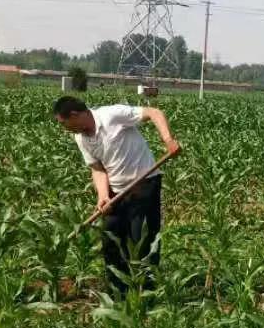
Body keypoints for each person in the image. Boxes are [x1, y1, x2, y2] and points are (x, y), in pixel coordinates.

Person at [52, 95, 179, 294]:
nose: (64, 128)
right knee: (110, 238)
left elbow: (154, 112)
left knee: (141, 239)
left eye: (64, 123)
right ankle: (117, 292)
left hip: (144, 184)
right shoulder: (81, 139)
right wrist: (103, 196)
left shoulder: (111, 115)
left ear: (75, 115)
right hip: (116, 191)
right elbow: (98, 169)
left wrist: (168, 140)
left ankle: (145, 293)